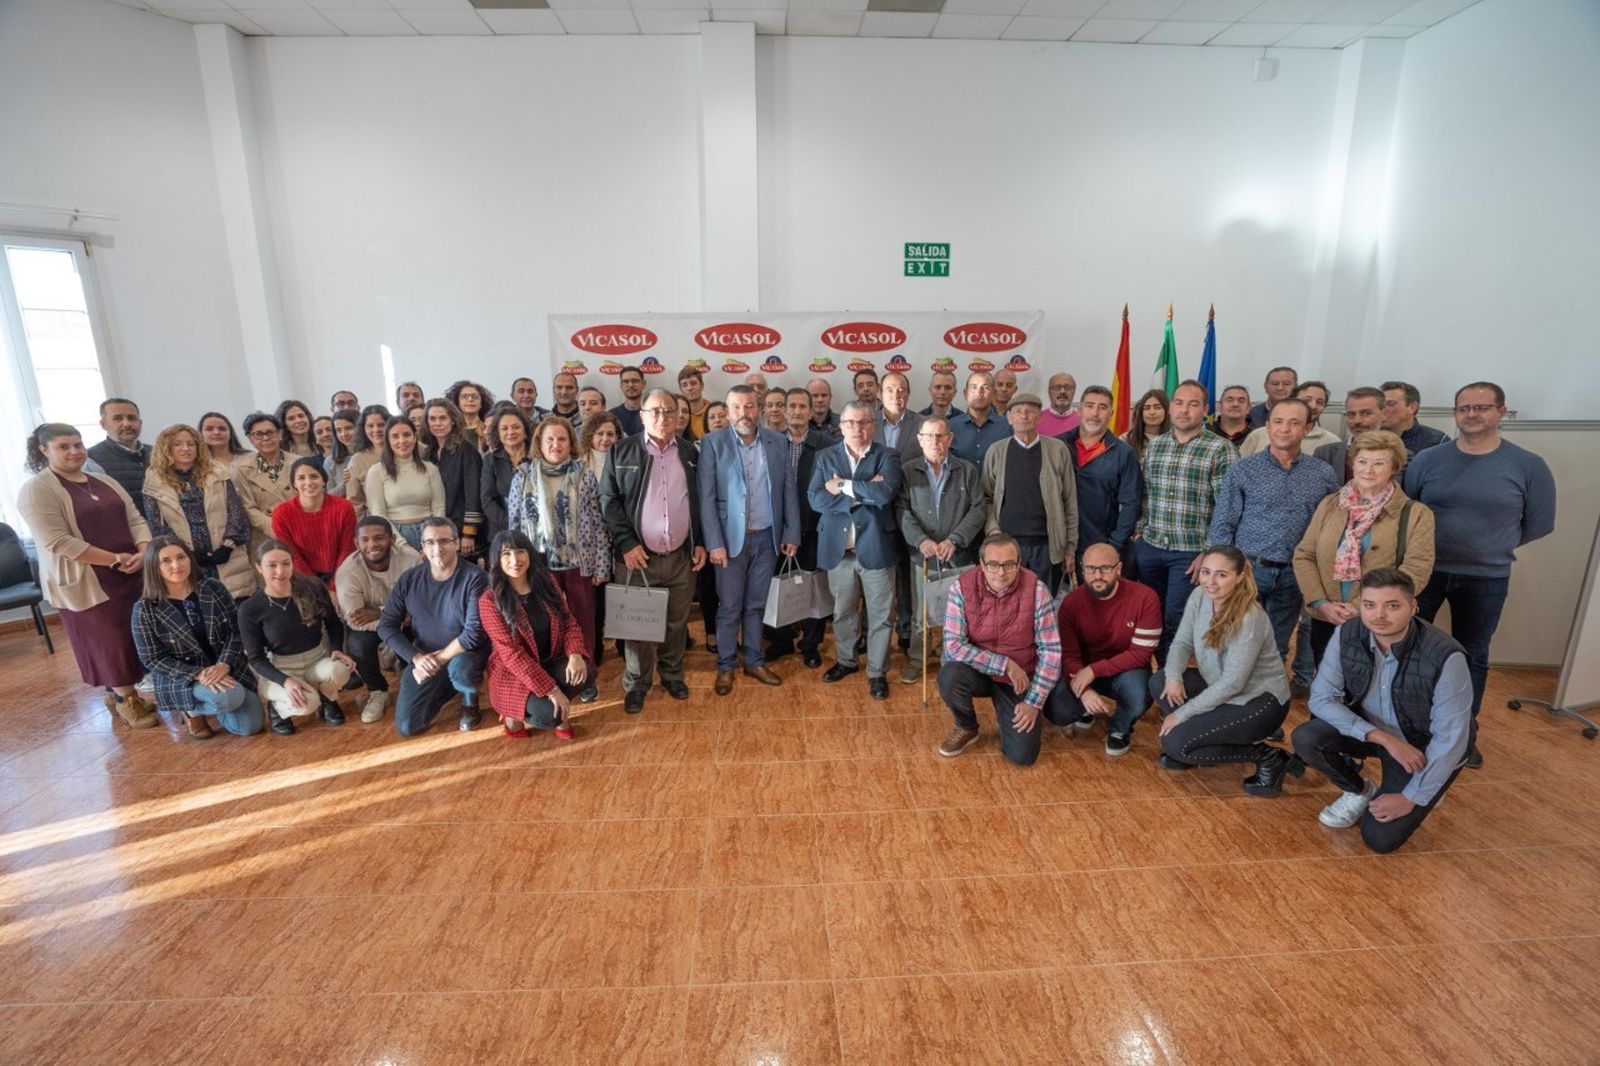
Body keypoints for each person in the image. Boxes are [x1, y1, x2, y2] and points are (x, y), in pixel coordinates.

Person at [1403, 382, 1556, 761]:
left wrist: (1491, 545)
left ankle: (1461, 736)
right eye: (1464, 408)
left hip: (1486, 577)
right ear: (1454, 413)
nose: (1472, 414)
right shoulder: (1429, 460)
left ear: (1501, 412)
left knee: (1471, 655)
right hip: (1426, 572)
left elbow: (1539, 523)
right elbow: (1408, 512)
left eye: (1482, 408)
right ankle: (1407, 727)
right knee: (1408, 649)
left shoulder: (1528, 466)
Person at [1294, 567, 1472, 852]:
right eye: (1369, 605)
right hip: (1378, 734)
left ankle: (1431, 783)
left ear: (1413, 607)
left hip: (1420, 747)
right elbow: (1321, 699)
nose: (1379, 615)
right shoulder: (1347, 634)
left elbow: (1451, 738)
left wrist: (1413, 796)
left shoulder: (1445, 656)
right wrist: (1382, 738)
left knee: (1380, 839)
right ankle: (1360, 791)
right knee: (1306, 737)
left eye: (1392, 606)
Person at [20, 423, 157, 728]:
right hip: (86, 579)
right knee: (109, 640)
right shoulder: (37, 489)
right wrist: (114, 559)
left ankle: (119, 695)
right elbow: (57, 541)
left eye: (78, 444)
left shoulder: (103, 480)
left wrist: (143, 549)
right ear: (44, 450)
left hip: (130, 572)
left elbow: (135, 517)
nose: (74, 452)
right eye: (64, 447)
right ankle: (126, 700)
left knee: (133, 634)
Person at [1149, 545, 1297, 794]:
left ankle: (1268, 757)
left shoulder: (1250, 616)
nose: (1211, 582)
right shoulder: (1199, 596)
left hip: (1259, 701)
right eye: (1206, 572)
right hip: (1219, 687)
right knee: (1160, 681)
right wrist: (1174, 676)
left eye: (1221, 574)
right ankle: (1203, 743)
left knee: (1175, 744)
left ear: (1240, 577)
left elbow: (1233, 683)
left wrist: (1182, 714)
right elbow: (1182, 642)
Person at [1209, 397, 1340, 668]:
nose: (1285, 429)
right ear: (1267, 426)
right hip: (1249, 570)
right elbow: (1224, 522)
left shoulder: (1323, 474)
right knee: (1237, 640)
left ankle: (1267, 702)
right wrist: (1226, 570)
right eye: (1278, 422)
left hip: (1295, 574)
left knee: (1275, 645)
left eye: (1294, 423)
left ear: (1307, 428)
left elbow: (1332, 526)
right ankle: (1228, 699)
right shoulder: (1243, 470)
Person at [599, 388, 707, 715]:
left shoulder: (691, 453)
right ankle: (637, 684)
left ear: (678, 416)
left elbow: (700, 503)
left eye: (669, 411)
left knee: (676, 624)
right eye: (656, 411)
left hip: (679, 558)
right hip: (636, 559)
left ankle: (672, 676)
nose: (663, 418)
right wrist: (627, 544)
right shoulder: (621, 451)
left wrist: (699, 541)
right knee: (637, 629)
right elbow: (609, 502)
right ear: (642, 416)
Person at [1295, 429, 1435, 666]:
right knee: (1329, 684)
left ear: (1394, 468)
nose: (1368, 470)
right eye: (1362, 461)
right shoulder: (1330, 504)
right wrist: (1321, 604)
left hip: (1380, 618)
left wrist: (1361, 607)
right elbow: (1304, 555)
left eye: (1379, 463)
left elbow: (1416, 569)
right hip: (1327, 617)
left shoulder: (1416, 514)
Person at [698, 385, 800, 695]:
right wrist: (714, 542)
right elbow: (706, 498)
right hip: (729, 543)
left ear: (760, 409)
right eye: (738, 408)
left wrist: (791, 532)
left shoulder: (778, 442)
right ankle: (726, 665)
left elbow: (788, 491)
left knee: (756, 606)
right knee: (729, 607)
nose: (745, 413)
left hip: (767, 538)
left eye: (750, 407)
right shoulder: (712, 444)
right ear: (728, 412)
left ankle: (754, 661)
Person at [936, 532, 1062, 765]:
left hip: (1019, 679)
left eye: (1008, 564)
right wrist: (1003, 664)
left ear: (1018, 563)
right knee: (949, 675)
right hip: (979, 672)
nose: (1001, 572)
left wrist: (1034, 702)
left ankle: (1016, 713)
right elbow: (953, 646)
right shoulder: (961, 588)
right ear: (982, 564)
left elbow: (1051, 652)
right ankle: (967, 726)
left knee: (1022, 756)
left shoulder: (1037, 590)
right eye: (993, 564)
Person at [1133, 380, 1236, 665]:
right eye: (1178, 402)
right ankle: (1151, 674)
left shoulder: (1220, 449)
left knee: (1175, 617)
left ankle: (1170, 676)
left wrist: (1210, 552)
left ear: (1205, 409)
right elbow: (1145, 495)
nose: (1184, 410)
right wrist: (1140, 532)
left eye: (1193, 404)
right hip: (1151, 547)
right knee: (1151, 614)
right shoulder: (1156, 447)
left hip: (1190, 553)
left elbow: (1226, 508)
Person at [508, 416, 609, 702]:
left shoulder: (583, 474)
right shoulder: (523, 476)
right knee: (545, 623)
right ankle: (548, 677)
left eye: (562, 439)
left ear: (571, 443)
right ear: (539, 443)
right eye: (549, 439)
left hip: (580, 562)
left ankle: (586, 676)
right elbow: (514, 523)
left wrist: (602, 564)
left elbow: (598, 520)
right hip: (537, 563)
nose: (556, 444)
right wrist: (514, 566)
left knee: (583, 619)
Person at [810, 400, 903, 700]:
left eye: (863, 422)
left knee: (880, 616)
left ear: (873, 426)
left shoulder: (887, 455)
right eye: (850, 423)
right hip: (840, 551)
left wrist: (843, 485)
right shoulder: (826, 456)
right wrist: (865, 491)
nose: (857, 428)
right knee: (843, 612)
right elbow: (816, 499)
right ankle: (847, 660)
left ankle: (877, 672)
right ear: (841, 426)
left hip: (876, 548)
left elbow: (885, 493)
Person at [131, 536, 262, 738]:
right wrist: (199, 674)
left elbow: (236, 631)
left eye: (181, 557)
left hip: (225, 668)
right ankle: (191, 710)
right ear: (153, 567)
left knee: (249, 727)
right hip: (184, 678)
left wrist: (224, 665)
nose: (176, 565)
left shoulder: (213, 587)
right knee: (230, 698)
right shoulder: (144, 609)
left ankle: (214, 703)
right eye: (166, 561)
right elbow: (152, 659)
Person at [378, 517, 490, 735]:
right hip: (425, 656)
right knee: (407, 726)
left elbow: (473, 634)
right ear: (422, 546)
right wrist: (416, 659)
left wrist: (436, 662)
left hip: (465, 654)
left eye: (444, 541)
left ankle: (469, 700)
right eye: (430, 542)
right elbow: (387, 625)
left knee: (461, 669)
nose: (436, 548)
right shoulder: (409, 579)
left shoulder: (476, 578)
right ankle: (448, 684)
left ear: (457, 543)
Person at [897, 414, 986, 684]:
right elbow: (901, 509)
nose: (935, 441)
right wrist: (920, 540)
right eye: (929, 436)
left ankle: (951, 661)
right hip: (922, 556)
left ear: (950, 439)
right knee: (921, 614)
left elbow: (979, 508)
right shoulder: (908, 471)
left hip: (957, 555)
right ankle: (917, 659)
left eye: (940, 436)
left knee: (957, 614)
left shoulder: (967, 470)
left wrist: (956, 539)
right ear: (920, 440)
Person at [1049, 542, 1161, 755]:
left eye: (1105, 569)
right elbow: (1069, 656)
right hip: (1082, 669)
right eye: (1090, 569)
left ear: (1118, 569)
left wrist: (1094, 670)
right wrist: (1084, 691)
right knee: (1058, 710)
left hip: (1127, 669)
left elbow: (1141, 654)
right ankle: (1085, 708)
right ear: (1083, 570)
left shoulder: (1145, 598)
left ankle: (1120, 727)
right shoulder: (1071, 604)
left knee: (1138, 695)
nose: (1097, 575)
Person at [479, 530, 589, 739]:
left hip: (548, 659)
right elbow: (513, 656)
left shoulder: (546, 581)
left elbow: (568, 622)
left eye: (520, 552)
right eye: (506, 554)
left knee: (586, 672)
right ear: (496, 559)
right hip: (513, 673)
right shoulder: (489, 601)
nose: (514, 560)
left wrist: (575, 654)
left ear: (529, 554)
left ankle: (558, 707)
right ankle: (512, 716)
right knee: (550, 717)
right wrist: (552, 690)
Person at [238, 538, 354, 734]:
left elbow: (333, 623)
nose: (280, 571)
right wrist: (285, 681)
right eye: (272, 565)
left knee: (340, 671)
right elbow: (256, 658)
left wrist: (336, 650)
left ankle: (329, 698)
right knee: (308, 704)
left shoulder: (313, 587)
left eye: (285, 563)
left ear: (292, 563)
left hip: (316, 659)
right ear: (259, 567)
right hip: (281, 668)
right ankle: (278, 708)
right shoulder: (249, 609)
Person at [142, 423, 253, 600]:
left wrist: (227, 546)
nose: (185, 448)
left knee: (236, 606)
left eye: (191, 444)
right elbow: (157, 524)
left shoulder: (217, 472)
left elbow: (236, 512)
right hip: (185, 559)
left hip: (226, 555)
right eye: (177, 444)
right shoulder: (154, 480)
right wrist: (185, 553)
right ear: (166, 448)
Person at [981, 392, 1076, 593]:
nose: (1023, 416)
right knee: (1009, 603)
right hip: (1007, 544)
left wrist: (1069, 549)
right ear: (1009, 418)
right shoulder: (996, 451)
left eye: (1030, 411)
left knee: (1044, 603)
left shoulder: (1058, 450)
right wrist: (993, 530)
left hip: (1047, 546)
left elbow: (1070, 502)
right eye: (1017, 412)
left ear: (1039, 417)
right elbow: (986, 498)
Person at [766, 387, 833, 667]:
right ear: (783, 410)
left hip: (814, 529)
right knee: (776, 586)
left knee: (815, 588)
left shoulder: (826, 445)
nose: (795, 411)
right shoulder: (769, 442)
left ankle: (810, 644)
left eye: (801, 406)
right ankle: (780, 641)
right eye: (790, 406)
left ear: (810, 411)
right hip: (775, 531)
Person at [335, 516, 422, 724]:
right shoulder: (348, 571)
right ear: (356, 543)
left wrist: (380, 612)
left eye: (379, 538)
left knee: (422, 632)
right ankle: (378, 691)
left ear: (391, 539)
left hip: (403, 624)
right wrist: (397, 617)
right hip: (374, 627)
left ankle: (411, 683)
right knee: (357, 644)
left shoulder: (411, 560)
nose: (372, 544)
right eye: (365, 540)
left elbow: (420, 605)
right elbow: (355, 619)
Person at [1064, 386, 1141, 575]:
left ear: (1111, 414)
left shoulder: (1124, 454)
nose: (1095, 413)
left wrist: (1113, 545)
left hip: (1101, 547)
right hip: (1060, 545)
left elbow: (1131, 504)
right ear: (1079, 410)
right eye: (1090, 406)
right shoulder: (1058, 446)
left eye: (1102, 407)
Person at [873, 372, 923, 654]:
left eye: (902, 389)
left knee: (907, 576)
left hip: (910, 510)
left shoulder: (921, 424)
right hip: (875, 513)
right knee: (875, 575)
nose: (896, 395)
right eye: (890, 389)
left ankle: (906, 632)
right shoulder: (866, 422)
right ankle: (869, 632)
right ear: (880, 393)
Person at [271, 457, 357, 585]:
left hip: (343, 575)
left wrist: (334, 587)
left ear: (324, 480)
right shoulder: (281, 514)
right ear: (294, 484)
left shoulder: (344, 507)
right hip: (302, 580)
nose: (309, 482)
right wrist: (316, 588)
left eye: (314, 476)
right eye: (301, 478)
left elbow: (347, 550)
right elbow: (292, 555)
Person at [364, 416, 445, 550]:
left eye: (407, 435)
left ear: (415, 437)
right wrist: (402, 544)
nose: (402, 441)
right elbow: (378, 513)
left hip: (429, 533)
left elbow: (439, 507)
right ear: (388, 440)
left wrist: (432, 540)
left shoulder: (430, 469)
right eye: (395, 436)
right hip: (395, 534)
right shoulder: (376, 471)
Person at [420, 398, 484, 560]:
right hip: (437, 527)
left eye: (443, 418)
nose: (438, 423)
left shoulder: (465, 449)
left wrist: (469, 533)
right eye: (432, 419)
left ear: (453, 421)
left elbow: (473, 493)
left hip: (462, 530)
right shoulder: (429, 452)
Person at [234, 413, 296, 548]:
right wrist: (275, 529)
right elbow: (248, 507)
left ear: (280, 434)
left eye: (270, 432)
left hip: (299, 529)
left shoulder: (298, 462)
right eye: (258, 434)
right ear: (250, 438)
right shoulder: (242, 468)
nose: (266, 438)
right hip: (265, 535)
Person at [1239, 382, 1338, 457]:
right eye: (1307, 400)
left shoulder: (1332, 442)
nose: (1313, 406)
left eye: (1320, 402)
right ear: (1293, 400)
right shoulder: (1259, 435)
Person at [480, 406, 531, 542]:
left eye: (516, 427)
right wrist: (511, 523)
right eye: (504, 428)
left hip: (536, 529)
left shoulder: (538, 458)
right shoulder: (490, 460)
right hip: (502, 531)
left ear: (525, 431)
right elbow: (487, 500)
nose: (510, 432)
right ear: (497, 433)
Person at [1314, 386, 1386, 482]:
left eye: (1366, 413)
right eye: (1351, 414)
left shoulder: (1399, 455)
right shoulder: (1325, 453)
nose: (1357, 421)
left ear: (1384, 414)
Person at [85, 397, 151, 501]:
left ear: (140, 422)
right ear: (103, 424)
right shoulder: (90, 460)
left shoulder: (158, 453)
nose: (127, 424)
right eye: (118, 418)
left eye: (132, 418)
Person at [948, 372, 1011, 465]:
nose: (979, 392)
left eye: (986, 387)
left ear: (994, 394)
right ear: (965, 394)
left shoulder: (1007, 426)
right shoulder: (950, 426)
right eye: (974, 387)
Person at [342, 405, 391, 517]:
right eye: (370, 426)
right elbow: (355, 503)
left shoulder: (409, 449)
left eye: (381, 425)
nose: (376, 430)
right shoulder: (358, 460)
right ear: (363, 429)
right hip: (377, 521)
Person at [1380, 380, 1448, 457]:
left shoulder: (1437, 442)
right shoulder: (1369, 437)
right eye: (1380, 404)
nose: (1382, 409)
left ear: (1412, 407)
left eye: (1391, 404)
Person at [1121, 388, 1170, 463]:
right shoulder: (1126, 439)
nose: (1152, 412)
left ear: (1167, 411)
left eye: (1158, 407)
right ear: (1141, 413)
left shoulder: (1174, 439)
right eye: (1147, 408)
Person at [445, 380, 494, 452]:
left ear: (482, 402)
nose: (470, 399)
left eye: (475, 396)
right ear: (457, 402)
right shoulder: (450, 430)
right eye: (464, 396)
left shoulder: (488, 428)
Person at [580, 411, 622, 484]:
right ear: (590, 435)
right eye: (600, 433)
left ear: (617, 436)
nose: (605, 439)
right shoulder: (579, 463)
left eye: (610, 434)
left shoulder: (626, 461)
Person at [326, 411, 359, 497]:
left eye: (348, 428)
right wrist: (344, 483)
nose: (344, 434)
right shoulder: (330, 461)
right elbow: (328, 496)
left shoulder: (369, 455)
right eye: (338, 430)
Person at [1039, 373, 1079, 437]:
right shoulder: (1036, 419)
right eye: (1057, 387)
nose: (1062, 391)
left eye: (1068, 387)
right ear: (1049, 392)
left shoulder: (1082, 420)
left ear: (1074, 391)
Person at [610, 366, 646, 436]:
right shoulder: (611, 416)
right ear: (621, 385)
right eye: (626, 381)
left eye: (635, 381)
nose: (630, 385)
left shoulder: (652, 413)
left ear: (643, 384)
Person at [679, 367, 710, 439]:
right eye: (684, 385)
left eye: (693, 383)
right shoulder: (676, 415)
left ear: (702, 386)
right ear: (681, 389)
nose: (689, 388)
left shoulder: (713, 412)